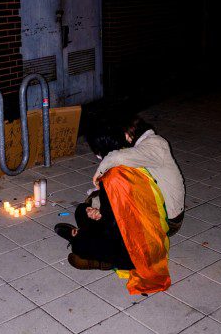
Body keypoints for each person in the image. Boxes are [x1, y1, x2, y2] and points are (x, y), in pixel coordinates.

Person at [55, 121, 172, 295]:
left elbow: (114, 227)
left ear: (98, 150)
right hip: (152, 236)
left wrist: (96, 221)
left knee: (79, 247)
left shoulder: (113, 177)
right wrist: (94, 213)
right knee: (81, 210)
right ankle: (81, 232)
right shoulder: (131, 160)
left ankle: (80, 238)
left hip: (136, 252)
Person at [92, 115, 185, 236]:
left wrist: (99, 173)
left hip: (169, 221)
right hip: (157, 210)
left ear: (127, 134)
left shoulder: (156, 144)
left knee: (112, 224)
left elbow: (117, 157)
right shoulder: (140, 147)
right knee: (89, 206)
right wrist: (96, 205)